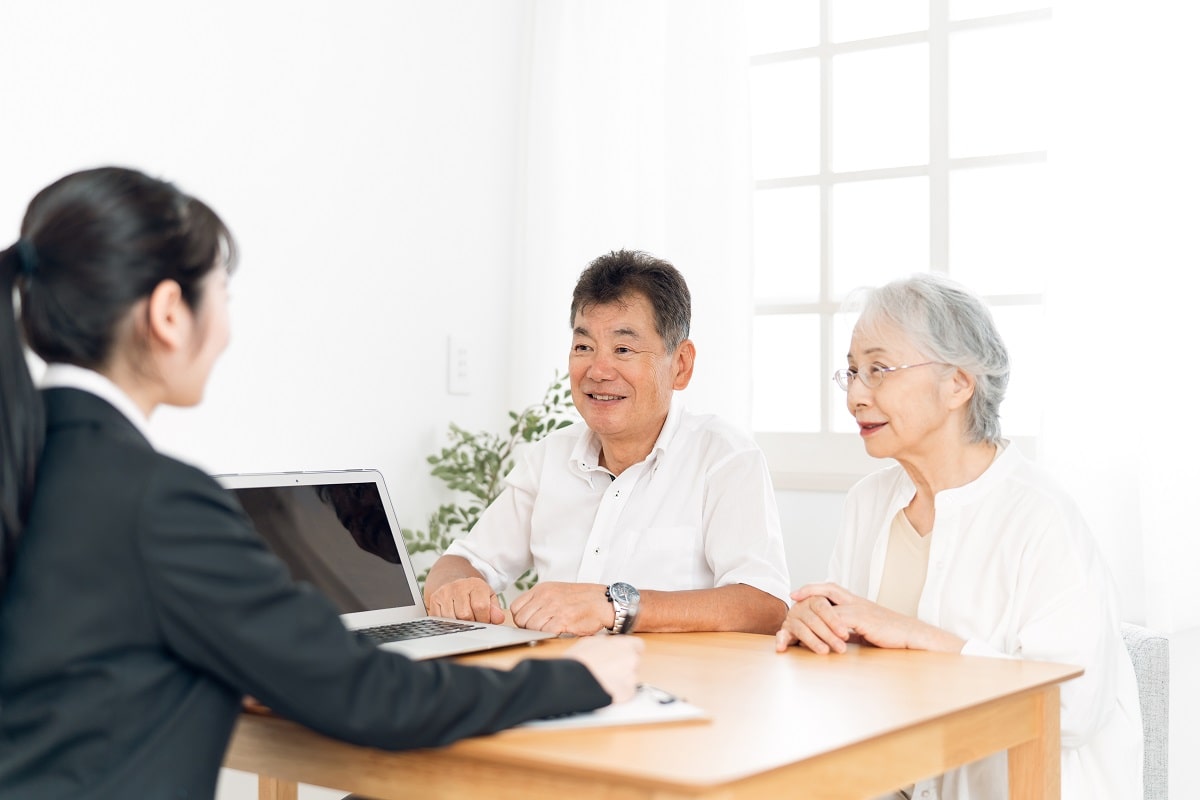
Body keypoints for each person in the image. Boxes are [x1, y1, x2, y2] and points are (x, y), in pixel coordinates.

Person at [0, 167, 642, 799]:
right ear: (170, 313)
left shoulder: (29, 469)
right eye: (223, 293)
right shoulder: (155, 500)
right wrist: (573, 679)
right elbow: (371, 697)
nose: (226, 328)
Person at [774, 273, 1142, 799]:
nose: (856, 395)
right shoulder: (868, 502)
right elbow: (851, 673)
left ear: (958, 384)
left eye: (879, 369)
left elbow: (1073, 709)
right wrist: (817, 632)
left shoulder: (1040, 516)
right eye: (852, 372)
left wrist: (916, 636)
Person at [424, 249, 791, 636]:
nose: (598, 371)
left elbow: (764, 605)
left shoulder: (724, 456)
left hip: (671, 686)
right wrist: (457, 589)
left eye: (623, 349)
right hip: (559, 682)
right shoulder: (551, 456)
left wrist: (615, 605)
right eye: (584, 347)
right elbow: (462, 562)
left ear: (680, 365)